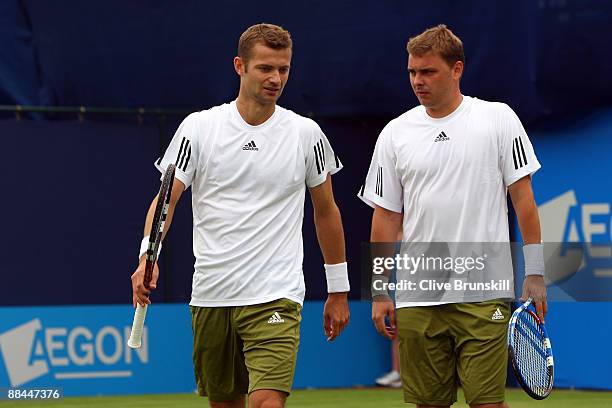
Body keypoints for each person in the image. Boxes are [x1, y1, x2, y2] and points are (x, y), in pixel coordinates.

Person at [131, 23, 350, 408]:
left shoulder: (306, 134)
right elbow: (166, 199)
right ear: (239, 66)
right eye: (265, 68)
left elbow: (327, 212)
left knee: (267, 401)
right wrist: (147, 257)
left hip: (276, 295)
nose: (276, 78)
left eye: (283, 69)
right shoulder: (198, 129)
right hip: (213, 295)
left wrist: (338, 288)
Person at [359, 25, 547, 408]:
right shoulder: (395, 133)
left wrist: (536, 272)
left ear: (456, 69)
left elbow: (524, 201)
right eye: (412, 72)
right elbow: (386, 218)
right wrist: (379, 289)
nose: (417, 81)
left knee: (487, 404)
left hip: (484, 293)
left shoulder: (498, 119)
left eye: (428, 72)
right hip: (417, 297)